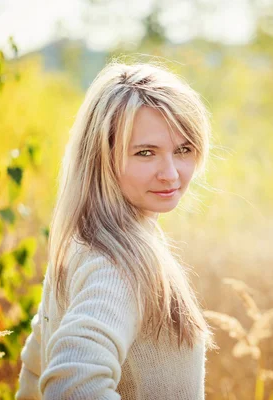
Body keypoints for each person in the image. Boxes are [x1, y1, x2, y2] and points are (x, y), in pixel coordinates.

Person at [15, 61, 214, 399]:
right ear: (101, 157)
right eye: (146, 153)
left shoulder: (84, 239)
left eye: (183, 150)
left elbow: (36, 366)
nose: (171, 173)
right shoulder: (115, 264)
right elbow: (71, 386)